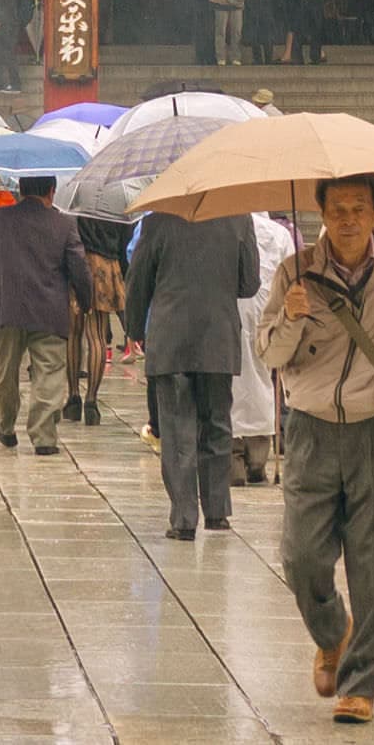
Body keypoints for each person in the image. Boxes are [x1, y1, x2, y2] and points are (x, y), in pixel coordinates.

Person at [256, 174, 374, 725]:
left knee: (373, 561)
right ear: (321, 213)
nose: (350, 220)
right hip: (311, 427)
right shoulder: (295, 271)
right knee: (302, 557)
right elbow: (267, 353)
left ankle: (360, 684)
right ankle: (333, 632)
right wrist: (291, 314)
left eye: (360, 208)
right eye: (339, 209)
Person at [129, 210, 260, 539]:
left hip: (171, 336)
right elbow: (249, 284)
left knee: (176, 429)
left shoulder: (158, 219)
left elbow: (139, 278)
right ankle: (217, 512)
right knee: (217, 423)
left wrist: (133, 327)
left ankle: (184, 518)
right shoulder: (238, 218)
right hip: (218, 335)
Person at [0, 177, 92, 458]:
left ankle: (5, 427)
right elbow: (79, 267)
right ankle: (44, 436)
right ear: (52, 191)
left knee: (6, 371)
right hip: (50, 309)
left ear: (21, 190)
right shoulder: (65, 224)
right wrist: (85, 301)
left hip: (9, 307)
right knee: (49, 373)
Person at [232, 214, 295, 486]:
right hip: (267, 310)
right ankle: (257, 458)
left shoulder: (227, 226)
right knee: (262, 378)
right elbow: (291, 274)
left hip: (232, 308)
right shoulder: (279, 233)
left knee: (232, 379)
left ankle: (233, 456)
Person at [69, 216, 131, 427]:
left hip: (80, 263)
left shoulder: (77, 202)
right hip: (107, 266)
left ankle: (73, 396)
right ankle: (92, 401)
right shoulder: (115, 205)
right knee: (97, 335)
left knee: (74, 333)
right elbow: (126, 244)